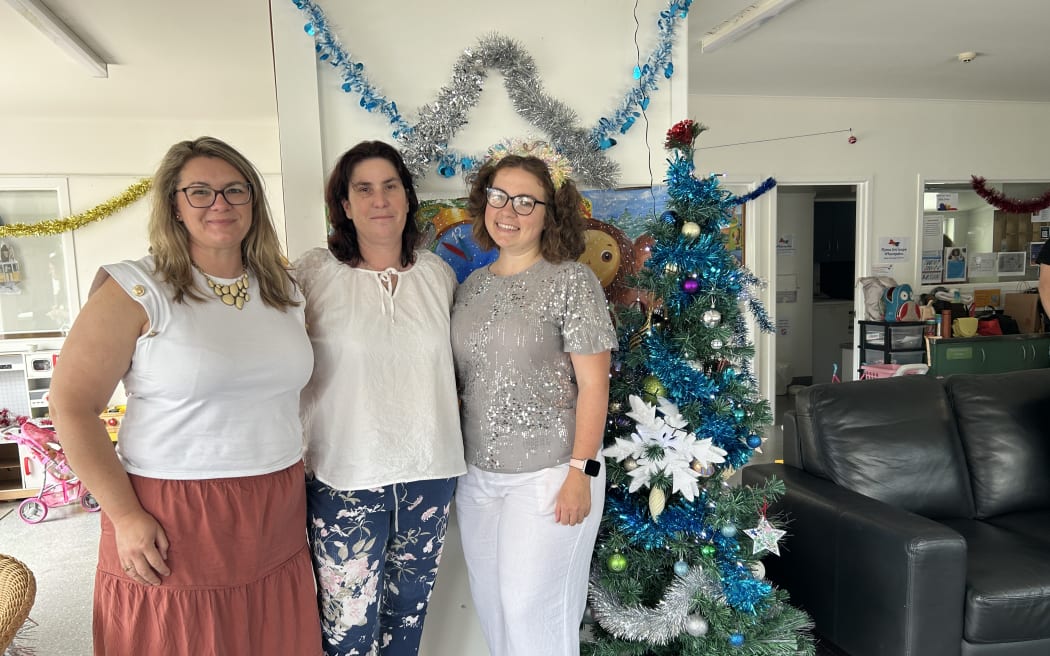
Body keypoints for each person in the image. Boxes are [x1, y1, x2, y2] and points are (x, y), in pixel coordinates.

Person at [48, 137, 322, 655]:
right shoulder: (135, 287)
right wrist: (125, 517)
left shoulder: (284, 288)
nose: (219, 204)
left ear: (253, 202)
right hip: (174, 509)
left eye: (234, 190)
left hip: (274, 503)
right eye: (199, 191)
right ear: (173, 203)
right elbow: (70, 407)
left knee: (267, 637)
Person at [294, 140, 465, 655]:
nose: (380, 199)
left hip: (429, 474)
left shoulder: (439, 275)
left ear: (408, 197)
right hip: (345, 476)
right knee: (346, 631)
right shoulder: (311, 274)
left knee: (407, 623)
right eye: (364, 189)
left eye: (390, 186)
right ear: (344, 205)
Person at [450, 145, 617, 656]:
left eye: (527, 201)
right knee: (495, 608)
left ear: (550, 214)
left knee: (534, 614)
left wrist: (580, 474)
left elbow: (595, 385)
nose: (508, 210)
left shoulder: (572, 281)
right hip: (477, 476)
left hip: (551, 475)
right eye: (499, 196)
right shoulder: (471, 287)